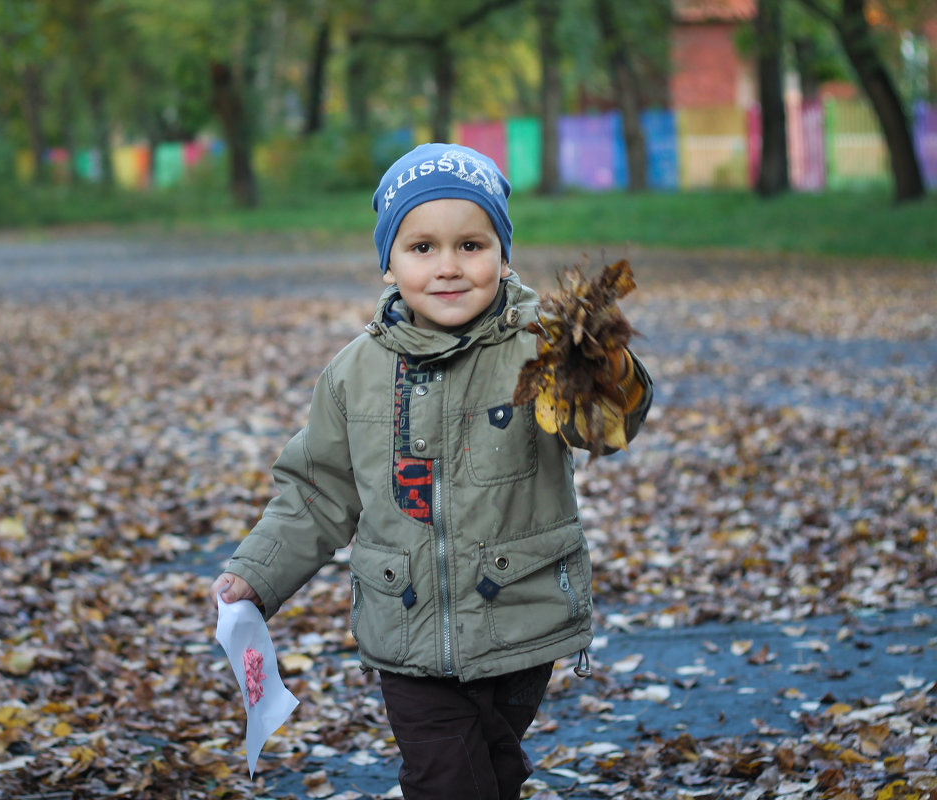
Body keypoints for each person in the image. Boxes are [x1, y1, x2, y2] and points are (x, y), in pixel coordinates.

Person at [210, 143, 653, 800]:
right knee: (446, 777)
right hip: (408, 628)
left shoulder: (542, 344)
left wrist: (603, 368)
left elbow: (601, 430)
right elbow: (316, 490)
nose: (448, 267)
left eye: (471, 245)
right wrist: (257, 573)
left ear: (504, 254)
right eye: (422, 248)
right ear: (387, 264)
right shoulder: (356, 374)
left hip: (519, 620)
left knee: (492, 771)